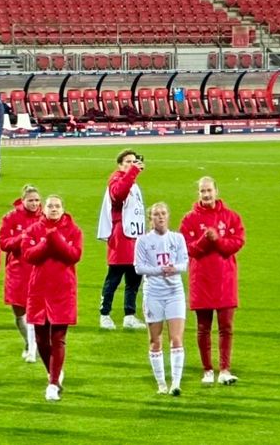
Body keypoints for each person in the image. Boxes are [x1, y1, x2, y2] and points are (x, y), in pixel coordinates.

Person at [179, 176, 245, 386]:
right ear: (198, 193)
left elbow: (235, 244)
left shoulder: (231, 217)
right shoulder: (189, 220)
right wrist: (205, 240)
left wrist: (218, 239)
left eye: (209, 190)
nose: (206, 195)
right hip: (202, 280)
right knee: (203, 327)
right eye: (202, 191)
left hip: (225, 280)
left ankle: (224, 369)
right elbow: (188, 250)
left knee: (226, 327)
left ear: (216, 191)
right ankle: (207, 369)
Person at [22, 195, 83, 401]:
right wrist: (47, 242)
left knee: (58, 338)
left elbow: (74, 255)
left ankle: (53, 383)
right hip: (38, 290)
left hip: (63, 291)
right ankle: (53, 372)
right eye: (50, 206)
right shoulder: (32, 230)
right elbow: (29, 255)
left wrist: (53, 238)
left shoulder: (74, 230)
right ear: (43, 209)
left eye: (57, 206)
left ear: (63, 209)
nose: (54, 209)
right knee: (40, 339)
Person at [135, 202, 189, 396]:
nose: (160, 217)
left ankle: (175, 383)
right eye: (156, 214)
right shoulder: (143, 241)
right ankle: (161, 383)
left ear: (168, 216)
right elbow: (138, 267)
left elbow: (185, 262)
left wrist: (175, 268)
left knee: (176, 338)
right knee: (155, 340)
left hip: (175, 292)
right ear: (151, 219)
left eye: (163, 213)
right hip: (153, 295)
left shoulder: (177, 238)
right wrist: (160, 270)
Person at [96, 149, 147, 330]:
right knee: (114, 277)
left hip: (134, 238)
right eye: (128, 162)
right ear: (120, 165)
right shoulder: (116, 179)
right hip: (121, 236)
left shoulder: (133, 183)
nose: (132, 165)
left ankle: (129, 315)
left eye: (134, 161)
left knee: (134, 279)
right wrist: (133, 172)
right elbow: (118, 194)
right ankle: (105, 314)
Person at [0, 185, 42, 362]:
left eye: (37, 200)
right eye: (31, 200)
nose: (34, 204)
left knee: (36, 312)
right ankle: (28, 341)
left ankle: (34, 348)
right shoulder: (11, 218)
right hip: (17, 271)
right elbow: (3, 243)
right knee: (19, 312)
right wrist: (21, 238)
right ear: (23, 200)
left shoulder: (45, 216)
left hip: (38, 270)